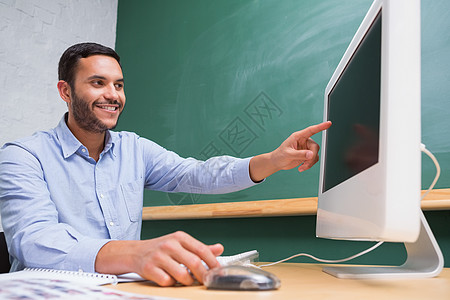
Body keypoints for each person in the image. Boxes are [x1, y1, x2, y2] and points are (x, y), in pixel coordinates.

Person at [0, 42, 331, 286]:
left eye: (119, 85)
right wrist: (134, 254)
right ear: (65, 91)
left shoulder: (135, 149)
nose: (113, 95)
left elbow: (197, 174)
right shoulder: (23, 155)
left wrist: (272, 160)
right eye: (97, 83)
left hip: (122, 291)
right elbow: (35, 241)